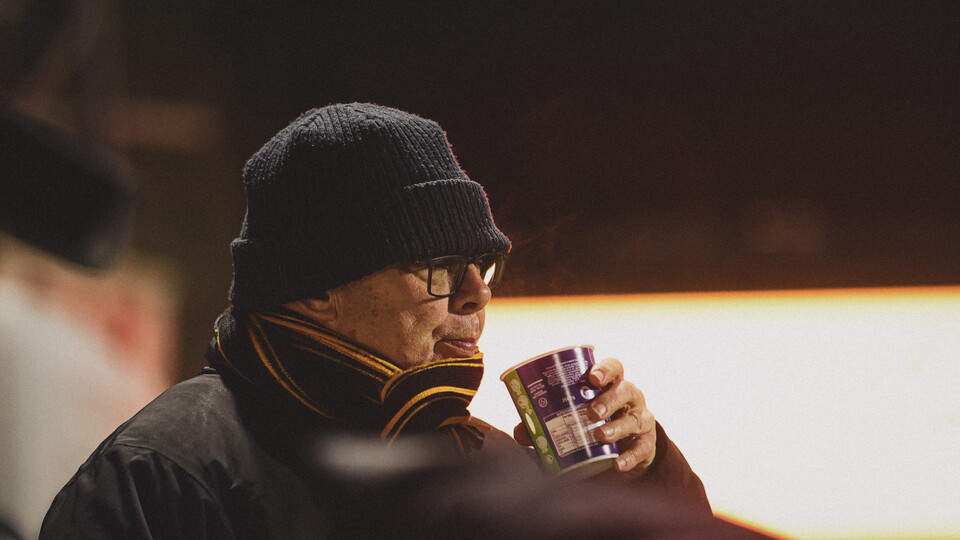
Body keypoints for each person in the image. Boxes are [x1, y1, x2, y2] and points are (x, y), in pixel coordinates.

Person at [39, 103, 748, 539]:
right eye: (440, 267)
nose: (477, 295)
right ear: (317, 289)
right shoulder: (161, 477)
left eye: (486, 267)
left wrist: (643, 483)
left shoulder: (494, 466)